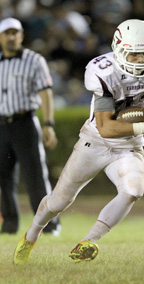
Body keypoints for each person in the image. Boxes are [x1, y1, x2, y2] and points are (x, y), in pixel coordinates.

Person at [13, 19, 144, 264]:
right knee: (59, 201)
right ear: (119, 51)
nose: (140, 60)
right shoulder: (104, 71)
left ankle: (88, 242)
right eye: (134, 54)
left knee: (133, 190)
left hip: (129, 143)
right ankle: (32, 235)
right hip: (96, 141)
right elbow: (106, 127)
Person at [0, 17, 60, 235]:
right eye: (7, 33)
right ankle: (9, 225)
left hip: (25, 122)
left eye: (15, 32)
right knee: (3, 178)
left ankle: (49, 225)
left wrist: (48, 123)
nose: (11, 36)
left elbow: (46, 91)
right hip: (1, 125)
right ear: (0, 37)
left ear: (21, 36)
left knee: (35, 176)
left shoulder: (34, 60)